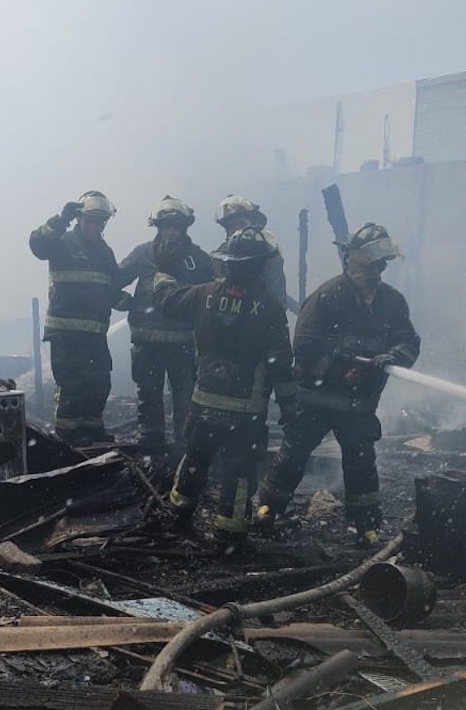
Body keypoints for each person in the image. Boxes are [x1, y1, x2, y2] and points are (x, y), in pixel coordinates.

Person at [255, 223, 420, 545]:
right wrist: (342, 366)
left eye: (381, 265)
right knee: (293, 456)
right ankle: (266, 509)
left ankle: (366, 526)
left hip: (359, 404)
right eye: (372, 264)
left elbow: (408, 339)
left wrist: (393, 357)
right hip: (316, 398)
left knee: (361, 464)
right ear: (352, 261)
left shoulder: (391, 301)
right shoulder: (327, 296)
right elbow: (303, 345)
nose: (377, 271)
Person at [152, 226, 295, 554]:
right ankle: (228, 534)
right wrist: (289, 406)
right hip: (245, 414)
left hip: (203, 406)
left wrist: (161, 274)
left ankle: (179, 514)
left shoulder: (204, 294)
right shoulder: (269, 306)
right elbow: (280, 362)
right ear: (260, 265)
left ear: (228, 262)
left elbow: (167, 303)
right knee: (238, 472)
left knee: (195, 459)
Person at [29, 190, 130, 447]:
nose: (94, 226)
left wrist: (123, 301)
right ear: (78, 219)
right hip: (66, 332)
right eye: (89, 221)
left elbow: (108, 288)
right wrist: (60, 219)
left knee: (98, 383)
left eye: (99, 222)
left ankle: (93, 431)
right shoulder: (62, 241)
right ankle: (69, 436)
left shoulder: (105, 252)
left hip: (94, 333)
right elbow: (38, 245)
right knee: (72, 385)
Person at [117, 196, 212, 456]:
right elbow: (115, 278)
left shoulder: (198, 259)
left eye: (176, 227)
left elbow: (213, 291)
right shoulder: (142, 254)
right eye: (166, 226)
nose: (171, 232)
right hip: (146, 340)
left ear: (184, 228)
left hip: (182, 340)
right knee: (148, 390)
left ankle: (184, 443)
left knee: (185, 393)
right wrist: (121, 300)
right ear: (158, 227)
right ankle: (151, 441)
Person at [213, 195, 298, 314]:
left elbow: (277, 299)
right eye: (232, 226)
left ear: (252, 224)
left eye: (240, 224)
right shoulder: (220, 254)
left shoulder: (268, 254)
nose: (236, 229)